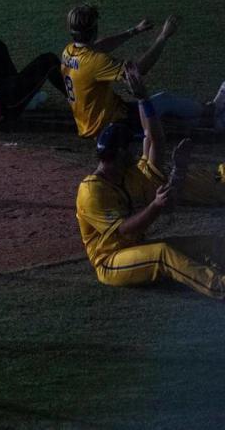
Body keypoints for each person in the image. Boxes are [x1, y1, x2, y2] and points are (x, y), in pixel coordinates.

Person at [75, 64, 225, 299]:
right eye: (131, 147)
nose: (136, 150)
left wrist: (144, 99)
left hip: (136, 248)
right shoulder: (91, 191)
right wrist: (155, 206)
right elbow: (125, 228)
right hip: (111, 262)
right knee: (162, 253)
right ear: (121, 152)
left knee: (209, 243)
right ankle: (219, 286)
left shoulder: (130, 174)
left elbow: (154, 140)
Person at [61, 4, 221, 137]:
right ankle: (212, 110)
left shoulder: (68, 51)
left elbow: (100, 46)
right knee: (164, 102)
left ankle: (210, 118)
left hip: (92, 121)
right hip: (110, 125)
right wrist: (163, 37)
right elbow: (138, 70)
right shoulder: (95, 62)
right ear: (94, 30)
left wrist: (134, 31)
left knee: (163, 112)